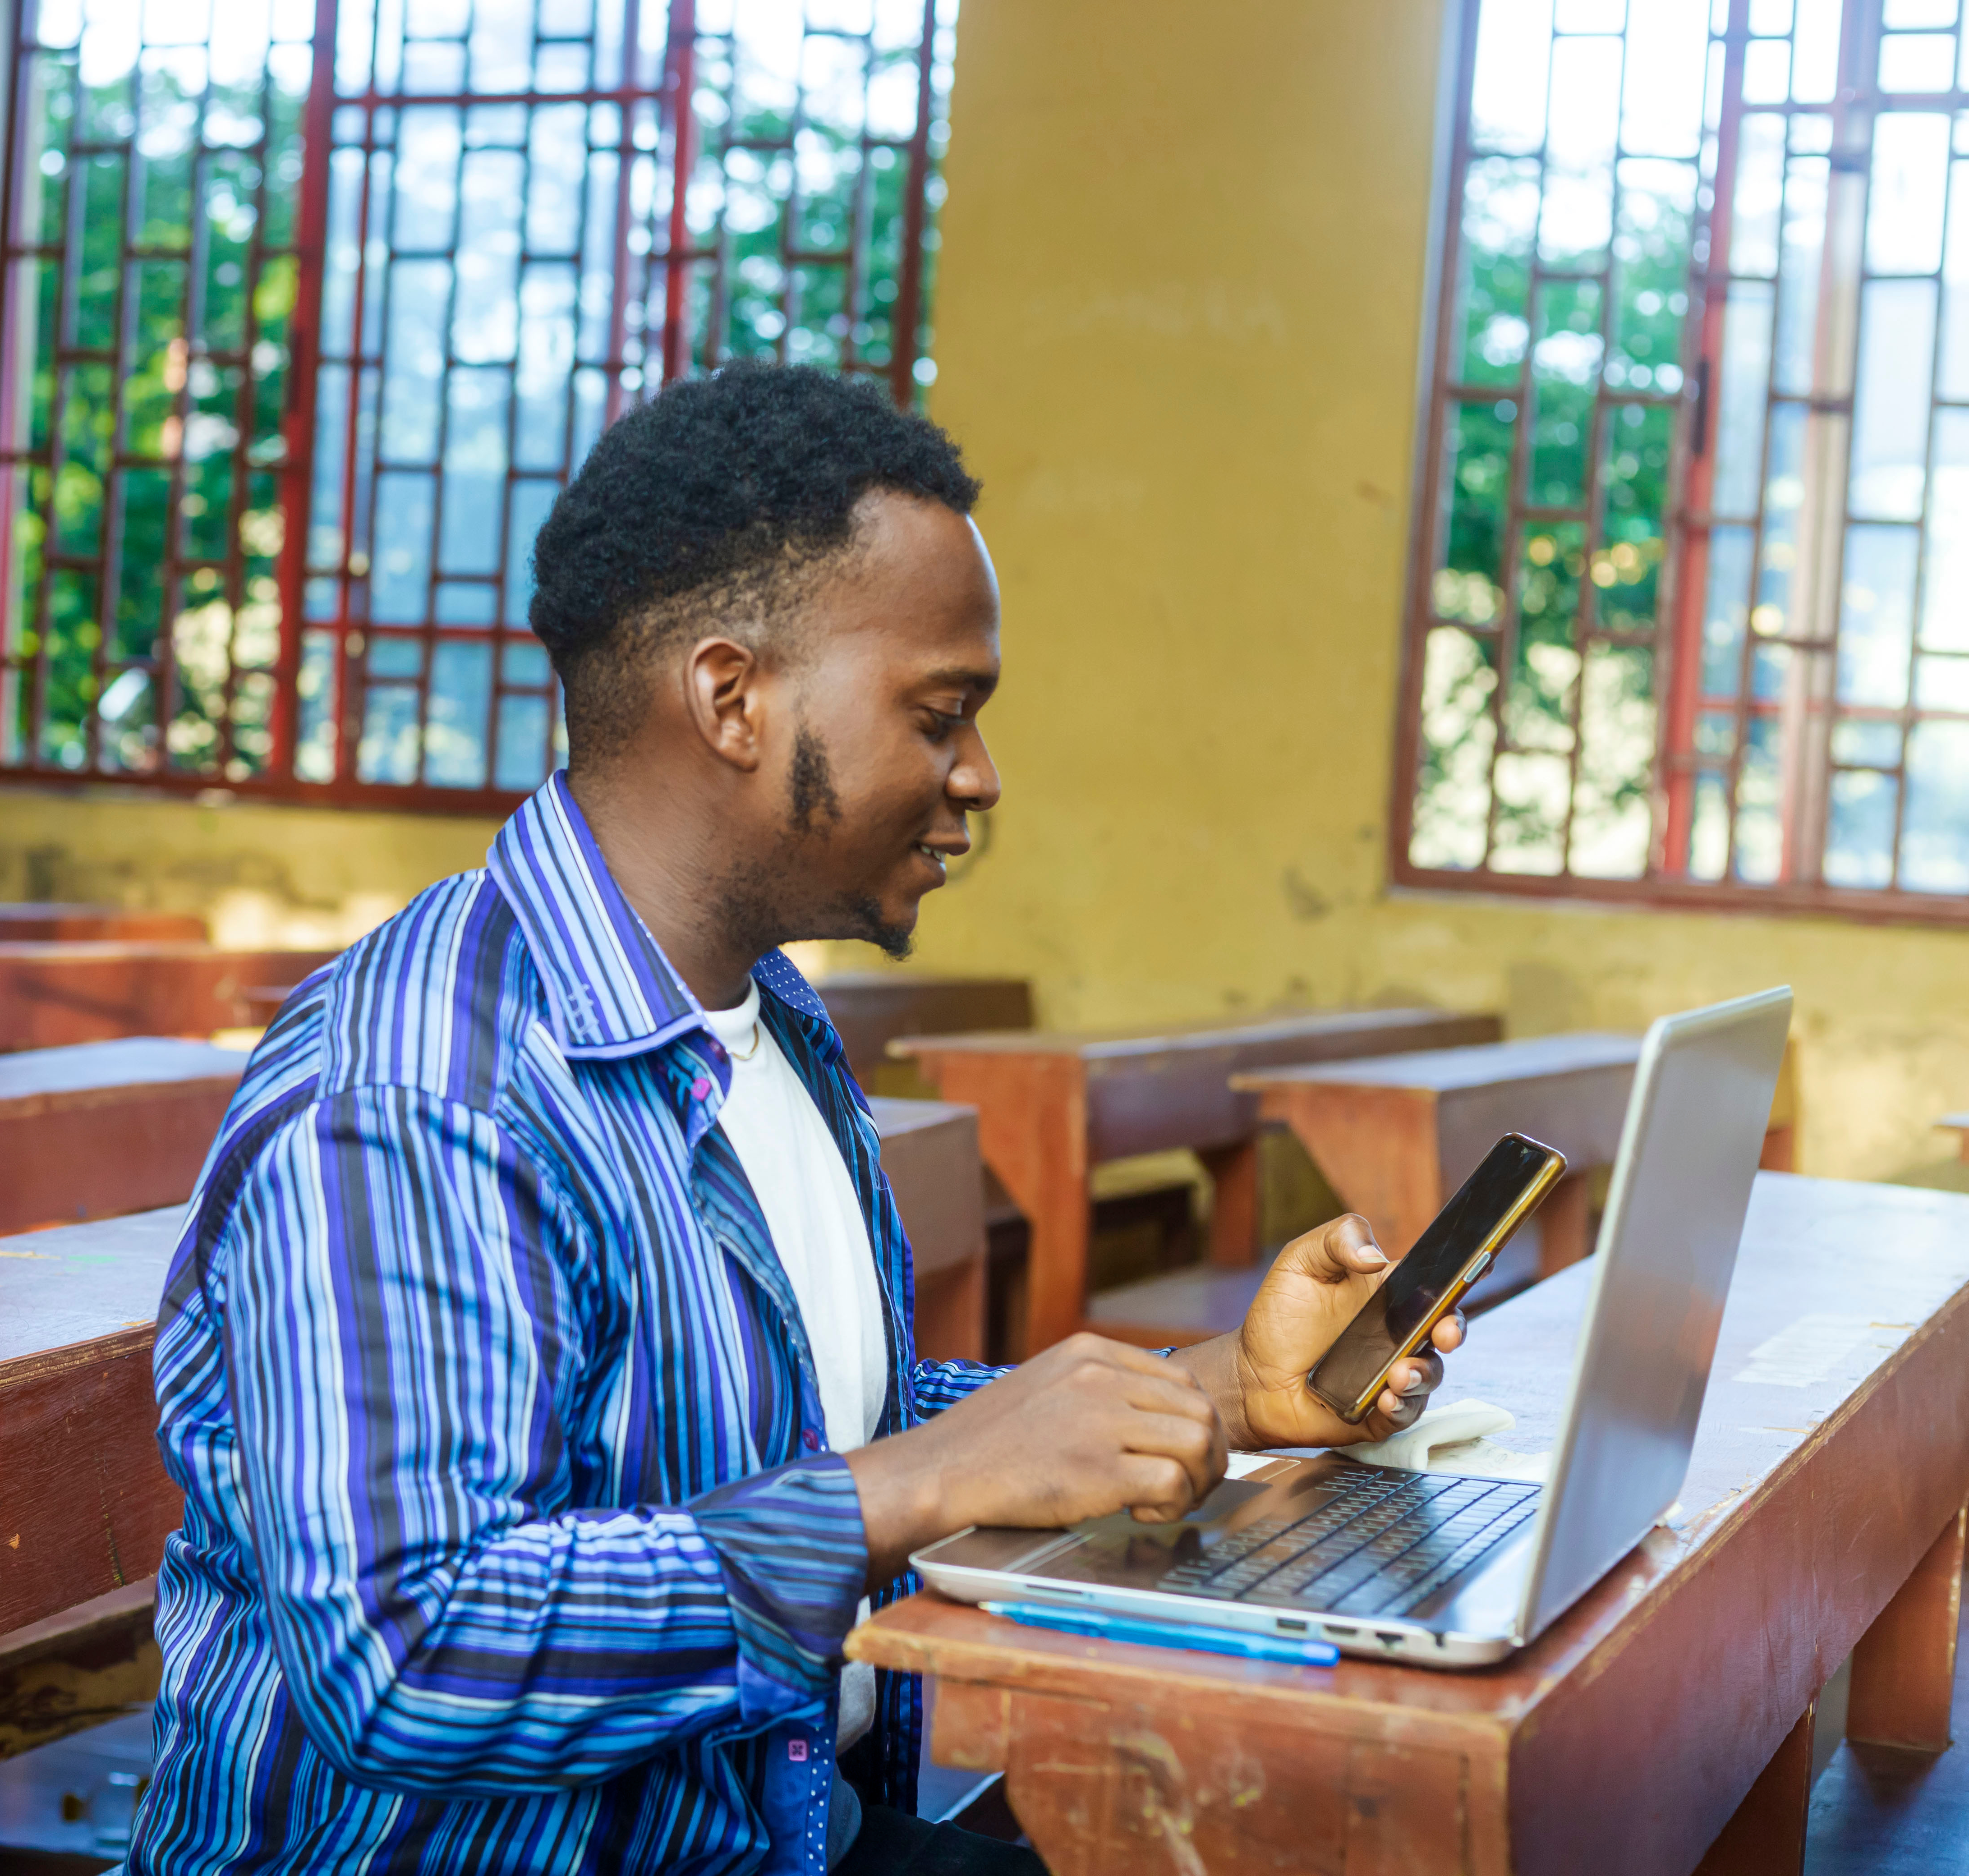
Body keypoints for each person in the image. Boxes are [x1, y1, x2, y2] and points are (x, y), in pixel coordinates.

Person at [135, 363, 1467, 1875]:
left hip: (770, 1830)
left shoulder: (769, 1025)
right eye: (941, 713)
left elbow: (806, 1433)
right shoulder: (418, 1089)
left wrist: (1222, 1395)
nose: (981, 775)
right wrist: (925, 1483)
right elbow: (411, 1652)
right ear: (731, 699)